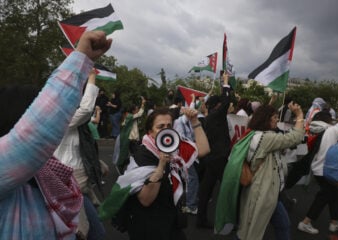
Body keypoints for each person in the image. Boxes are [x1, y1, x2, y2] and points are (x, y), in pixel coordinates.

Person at [0, 30, 112, 239]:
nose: (43, 114)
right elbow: (35, 135)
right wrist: (82, 60)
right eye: (34, 111)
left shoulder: (50, 176)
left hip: (77, 176)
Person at [99, 107, 210, 240]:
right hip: (148, 224)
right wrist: (161, 166)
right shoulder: (142, 155)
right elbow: (146, 200)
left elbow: (204, 149)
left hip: (169, 218)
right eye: (160, 127)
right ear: (150, 132)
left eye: (169, 126)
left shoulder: (174, 146)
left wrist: (194, 121)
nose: (165, 129)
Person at [236, 103, 305, 240]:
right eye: (274, 117)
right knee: (250, 232)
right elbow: (294, 138)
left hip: (269, 191)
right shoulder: (266, 138)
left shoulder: (253, 133)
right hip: (263, 191)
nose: (277, 120)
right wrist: (299, 116)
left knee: (282, 226)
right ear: (266, 119)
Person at [53, 68, 105, 238]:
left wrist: (97, 163)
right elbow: (86, 109)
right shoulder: (58, 118)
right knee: (84, 232)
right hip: (68, 184)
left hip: (80, 185)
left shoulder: (76, 124)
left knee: (95, 231)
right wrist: (91, 77)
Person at [298, 108, 338, 235]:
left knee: (333, 194)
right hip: (325, 169)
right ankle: (305, 222)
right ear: (327, 120)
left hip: (318, 167)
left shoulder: (315, 130)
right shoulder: (331, 131)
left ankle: (334, 222)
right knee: (325, 195)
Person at [197, 72, 231, 228]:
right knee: (229, 188)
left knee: (206, 189)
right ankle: (229, 220)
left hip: (210, 158)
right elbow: (226, 101)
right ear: (217, 106)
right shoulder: (217, 115)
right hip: (219, 158)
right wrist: (225, 82)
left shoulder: (207, 117)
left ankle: (201, 219)